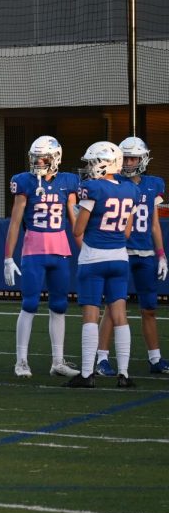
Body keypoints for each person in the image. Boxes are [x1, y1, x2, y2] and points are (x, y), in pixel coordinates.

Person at [2, 135, 81, 379]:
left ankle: (57, 361)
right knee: (29, 304)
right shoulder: (24, 182)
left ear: (56, 158)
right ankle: (22, 360)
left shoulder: (68, 182)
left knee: (59, 305)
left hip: (60, 250)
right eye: (35, 158)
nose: (38, 162)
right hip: (33, 250)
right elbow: (15, 222)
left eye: (43, 158)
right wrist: (8, 257)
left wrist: (87, 251)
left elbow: (74, 219)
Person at [66, 141, 139, 388]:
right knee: (119, 315)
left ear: (103, 163)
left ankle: (87, 374)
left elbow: (78, 228)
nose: (88, 167)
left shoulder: (92, 188)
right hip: (119, 257)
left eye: (91, 162)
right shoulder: (130, 190)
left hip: (93, 258)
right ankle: (125, 374)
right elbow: (127, 232)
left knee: (90, 315)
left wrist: (76, 211)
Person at [95, 136, 168, 376]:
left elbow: (155, 225)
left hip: (145, 253)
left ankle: (155, 358)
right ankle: (102, 358)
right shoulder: (112, 184)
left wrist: (161, 255)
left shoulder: (153, 184)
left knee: (149, 308)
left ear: (143, 158)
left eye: (133, 158)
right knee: (113, 307)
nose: (128, 163)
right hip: (120, 251)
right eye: (125, 158)